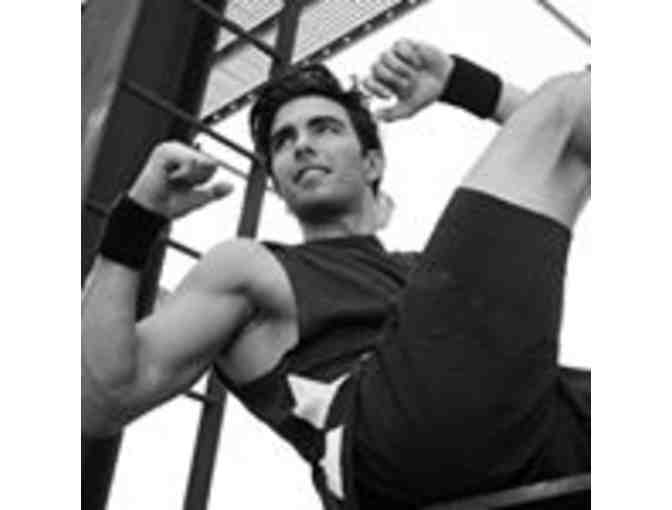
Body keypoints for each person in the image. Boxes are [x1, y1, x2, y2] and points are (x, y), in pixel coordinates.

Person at [83, 39, 590, 509]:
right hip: (392, 440)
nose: (301, 146)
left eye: (324, 128)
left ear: (372, 163)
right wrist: (137, 216)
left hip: (531, 429)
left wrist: (457, 85)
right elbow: (100, 399)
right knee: (568, 104)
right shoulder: (251, 267)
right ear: (278, 185)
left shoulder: (424, 275)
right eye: (283, 141)